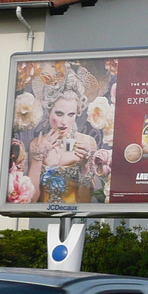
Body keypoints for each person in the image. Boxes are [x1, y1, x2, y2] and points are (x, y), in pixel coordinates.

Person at [27, 75, 109, 204]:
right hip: (42, 217)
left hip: (75, 217)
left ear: (77, 113)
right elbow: (31, 200)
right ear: (48, 112)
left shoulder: (87, 142)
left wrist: (85, 166)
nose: (65, 122)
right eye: (59, 114)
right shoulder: (36, 144)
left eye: (71, 115)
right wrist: (38, 158)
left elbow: (86, 199)